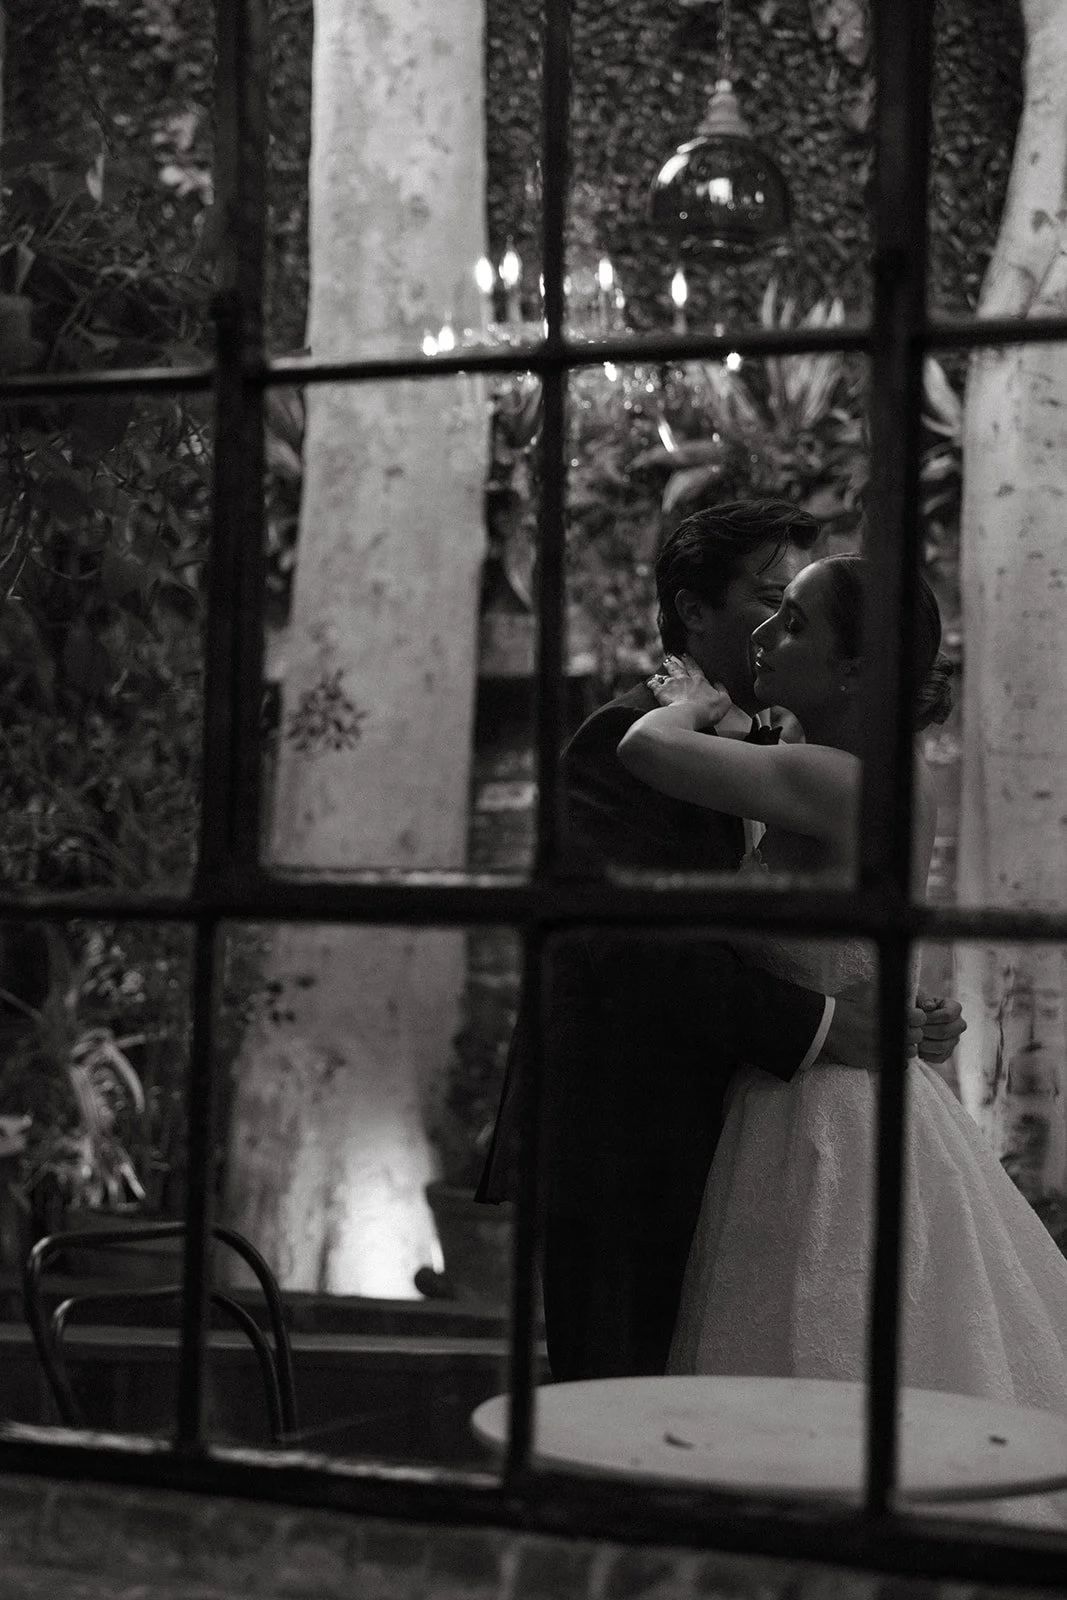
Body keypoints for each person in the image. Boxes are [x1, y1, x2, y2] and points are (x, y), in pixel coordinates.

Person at [476, 505, 964, 1382]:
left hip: (784, 1140)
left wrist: (894, 1005)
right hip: (639, 1153)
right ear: (694, 612)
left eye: (796, 609)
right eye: (769, 597)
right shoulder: (614, 740)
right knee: (640, 1421)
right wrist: (825, 1021)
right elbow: (613, 948)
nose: (778, 625)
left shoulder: (817, 763)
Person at [618, 555, 1067, 1433]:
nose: (764, 636)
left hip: (821, 1114)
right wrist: (924, 1013)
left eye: (791, 622)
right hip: (848, 1082)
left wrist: (692, 703)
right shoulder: (876, 774)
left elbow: (645, 748)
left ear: (855, 670)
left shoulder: (837, 780)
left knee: (817, 1351)